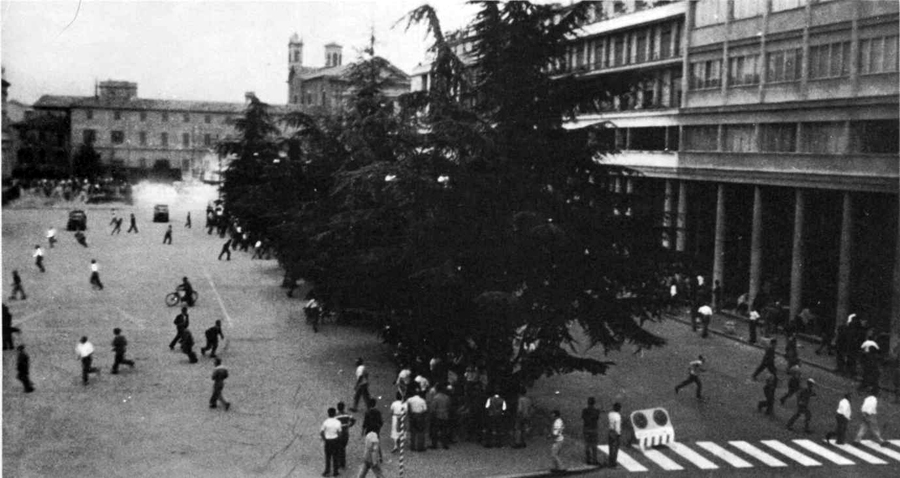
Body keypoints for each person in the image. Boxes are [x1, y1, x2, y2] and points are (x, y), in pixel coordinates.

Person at [321, 407, 342, 477]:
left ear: (328, 413)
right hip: (335, 440)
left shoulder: (325, 422)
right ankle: (335, 472)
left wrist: (325, 439)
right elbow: (340, 433)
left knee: (328, 457)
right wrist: (338, 439)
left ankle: (327, 471)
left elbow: (322, 432)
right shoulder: (338, 422)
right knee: (335, 457)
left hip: (328, 441)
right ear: (335, 414)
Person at [430, 384, 451, 449]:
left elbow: (433, 408)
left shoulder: (436, 398)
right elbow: (449, 406)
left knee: (435, 431)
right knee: (444, 430)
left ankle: (434, 445)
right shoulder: (447, 397)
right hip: (445, 415)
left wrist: (431, 414)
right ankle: (445, 444)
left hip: (437, 415)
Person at [336, 402, 356, 471]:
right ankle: (343, 462)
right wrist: (349, 425)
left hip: (339, 435)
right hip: (345, 434)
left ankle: (340, 462)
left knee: (339, 448)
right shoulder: (347, 415)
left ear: (338, 408)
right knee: (343, 448)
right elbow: (353, 420)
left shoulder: (336, 416)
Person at [582, 397, 601, 465]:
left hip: (586, 428)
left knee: (587, 444)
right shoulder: (596, 411)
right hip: (593, 428)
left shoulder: (585, 410)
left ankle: (588, 459)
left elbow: (583, 418)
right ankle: (594, 460)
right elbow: (597, 418)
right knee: (594, 445)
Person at [607, 403, 622, 468]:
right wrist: (619, 433)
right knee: (615, 449)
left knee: (611, 448)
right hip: (615, 433)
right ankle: (613, 463)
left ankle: (610, 462)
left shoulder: (610, 414)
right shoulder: (618, 416)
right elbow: (617, 426)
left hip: (610, 431)